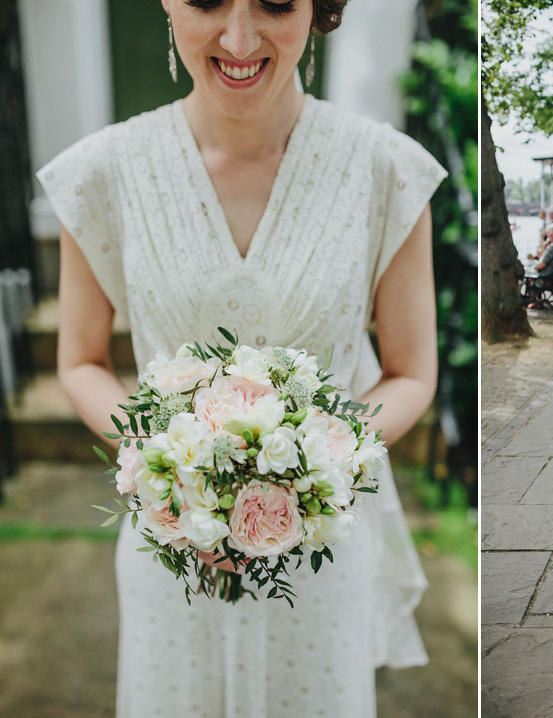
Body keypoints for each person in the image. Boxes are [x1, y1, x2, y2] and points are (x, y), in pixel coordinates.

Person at [44, 2, 446, 715]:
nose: (237, 39)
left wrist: (313, 468)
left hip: (319, 550)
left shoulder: (384, 169)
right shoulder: (104, 171)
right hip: (171, 550)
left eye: (275, 3)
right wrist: (174, 471)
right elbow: (80, 359)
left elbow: (411, 373)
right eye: (204, 1)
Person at [524, 223, 553, 308]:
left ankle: (532, 299)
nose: (547, 235)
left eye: (549, 233)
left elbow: (541, 264)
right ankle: (535, 299)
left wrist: (532, 267)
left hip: (546, 278)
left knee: (524, 269)